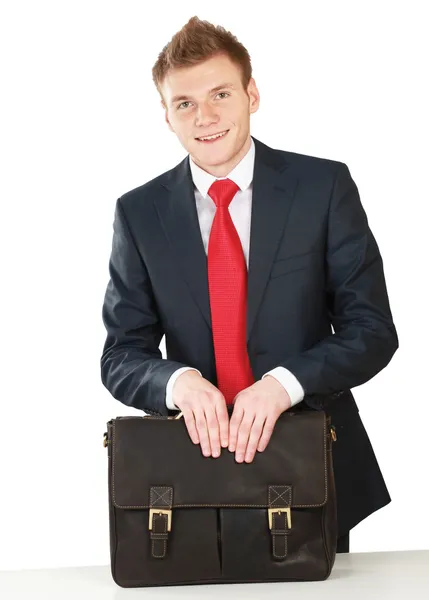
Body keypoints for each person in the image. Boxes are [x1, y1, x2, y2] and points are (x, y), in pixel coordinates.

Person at [100, 16, 399, 555]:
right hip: (192, 475)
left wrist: (286, 382)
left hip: (312, 464)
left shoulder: (323, 187)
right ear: (166, 116)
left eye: (220, 93)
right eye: (184, 102)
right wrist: (177, 382)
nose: (205, 116)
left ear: (252, 94)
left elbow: (372, 330)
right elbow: (122, 353)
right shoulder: (139, 213)